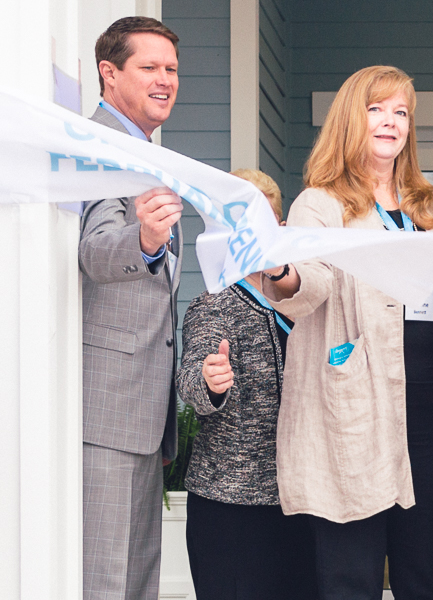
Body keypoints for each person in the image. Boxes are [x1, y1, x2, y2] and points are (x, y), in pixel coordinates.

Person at [259, 65, 433, 599]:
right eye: (377, 109)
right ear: (350, 120)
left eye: (401, 112)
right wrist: (278, 268)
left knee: (427, 574)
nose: (390, 122)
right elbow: (306, 285)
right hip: (358, 409)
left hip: (432, 411)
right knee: (351, 576)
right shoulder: (320, 204)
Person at [78, 16, 184, 600]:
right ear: (109, 72)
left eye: (171, 69)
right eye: (150, 67)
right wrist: (143, 242)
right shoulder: (96, 148)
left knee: (137, 580)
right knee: (106, 579)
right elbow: (94, 252)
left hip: (142, 409)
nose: (165, 79)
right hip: (109, 405)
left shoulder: (141, 152)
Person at [176, 169, 316, 600]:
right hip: (231, 512)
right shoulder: (213, 305)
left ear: (282, 229)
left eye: (262, 223)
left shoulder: (307, 304)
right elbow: (191, 377)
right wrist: (209, 381)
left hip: (300, 502)